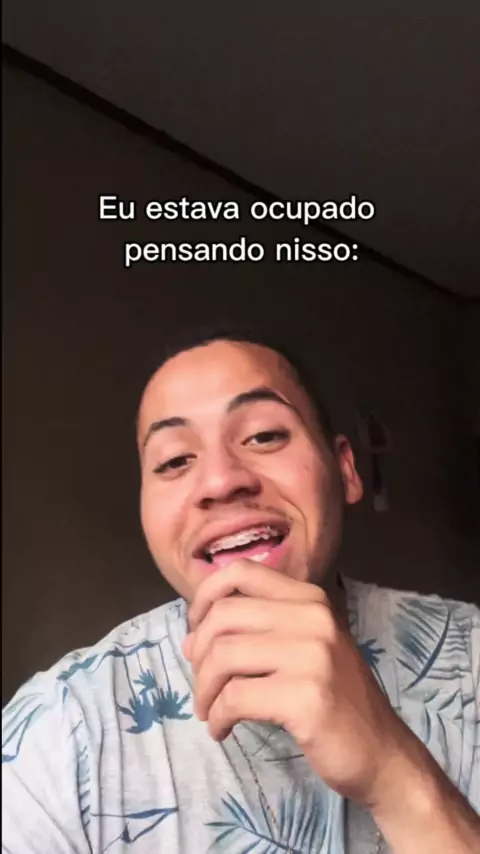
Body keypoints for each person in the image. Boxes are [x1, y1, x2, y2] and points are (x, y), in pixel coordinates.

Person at [2, 326, 479, 854]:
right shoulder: (60, 730)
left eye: (264, 435)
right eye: (174, 461)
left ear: (344, 468)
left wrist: (395, 776)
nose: (220, 482)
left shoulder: (471, 657)